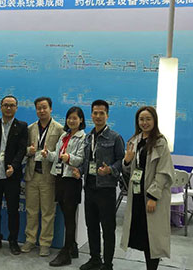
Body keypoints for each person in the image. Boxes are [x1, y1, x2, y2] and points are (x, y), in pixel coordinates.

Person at [120, 106, 175, 270]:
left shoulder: (160, 143)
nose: (144, 122)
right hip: (137, 195)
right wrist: (127, 161)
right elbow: (128, 171)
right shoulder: (134, 141)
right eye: (141, 119)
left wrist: (153, 197)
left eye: (148, 119)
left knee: (153, 238)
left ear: (154, 121)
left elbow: (163, 172)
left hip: (152, 196)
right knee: (144, 236)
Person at [75, 100, 125, 270]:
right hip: (89, 187)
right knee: (92, 226)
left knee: (108, 228)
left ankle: (108, 263)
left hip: (106, 189)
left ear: (107, 115)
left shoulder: (115, 137)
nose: (98, 116)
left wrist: (110, 169)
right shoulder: (88, 137)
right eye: (95, 113)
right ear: (91, 115)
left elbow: (121, 161)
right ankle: (94, 258)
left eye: (101, 113)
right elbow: (86, 161)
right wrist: (79, 171)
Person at [0, 95, 28, 255]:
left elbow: (22, 150)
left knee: (13, 210)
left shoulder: (22, 126)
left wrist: (14, 166)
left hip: (11, 175)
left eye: (12, 105)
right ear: (1, 107)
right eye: (6, 105)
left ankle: (13, 241)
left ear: (16, 108)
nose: (8, 108)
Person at [41, 106, 86, 267]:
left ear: (81, 120)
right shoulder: (64, 136)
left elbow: (81, 159)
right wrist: (48, 154)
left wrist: (69, 158)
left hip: (71, 180)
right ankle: (72, 246)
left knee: (69, 217)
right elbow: (57, 156)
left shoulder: (83, 138)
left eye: (75, 118)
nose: (71, 121)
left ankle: (66, 252)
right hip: (59, 177)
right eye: (69, 118)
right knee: (65, 214)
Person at [22, 97, 64, 257]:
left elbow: (61, 152)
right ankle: (30, 240)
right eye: (39, 108)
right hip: (32, 175)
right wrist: (29, 150)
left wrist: (50, 154)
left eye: (44, 107)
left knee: (48, 212)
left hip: (48, 176)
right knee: (31, 210)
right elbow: (23, 149)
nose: (41, 110)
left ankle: (45, 243)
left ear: (50, 109)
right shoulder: (31, 128)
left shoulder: (59, 129)